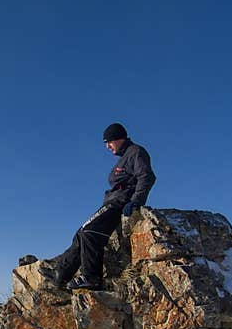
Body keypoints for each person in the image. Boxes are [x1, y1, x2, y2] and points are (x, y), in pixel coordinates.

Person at [47, 122, 156, 290]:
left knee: (89, 232)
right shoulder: (125, 157)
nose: (107, 147)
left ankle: (91, 278)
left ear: (119, 138)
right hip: (112, 201)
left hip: (120, 202)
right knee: (81, 233)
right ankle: (60, 275)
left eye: (109, 142)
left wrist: (136, 201)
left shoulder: (136, 152)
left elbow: (146, 176)